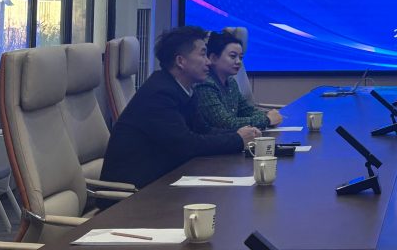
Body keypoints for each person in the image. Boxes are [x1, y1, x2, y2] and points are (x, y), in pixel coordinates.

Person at [101, 26, 260, 190]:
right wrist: (237, 139)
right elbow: (187, 145)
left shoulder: (185, 89)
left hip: (164, 180)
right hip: (135, 192)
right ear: (180, 61)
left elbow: (203, 130)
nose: (208, 62)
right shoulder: (159, 93)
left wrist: (241, 133)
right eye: (203, 54)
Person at [195, 31, 282, 130]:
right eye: (233, 56)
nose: (238, 62)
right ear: (213, 58)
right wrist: (267, 119)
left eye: (241, 57)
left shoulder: (231, 82)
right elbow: (225, 123)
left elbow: (247, 110)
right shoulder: (205, 85)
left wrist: (267, 116)